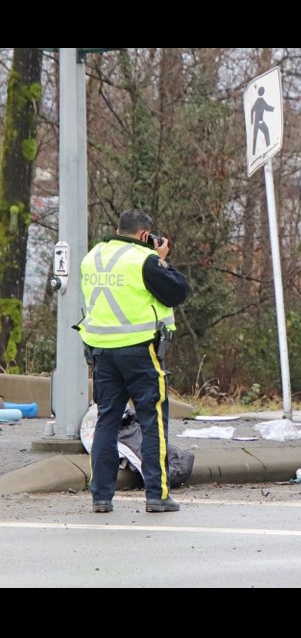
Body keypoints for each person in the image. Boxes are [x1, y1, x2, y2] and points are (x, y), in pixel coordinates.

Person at [77, 209, 191, 513]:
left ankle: (101, 496)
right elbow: (178, 291)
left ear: (118, 229)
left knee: (107, 421)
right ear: (144, 235)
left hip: (101, 351)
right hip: (140, 351)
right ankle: (157, 495)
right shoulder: (145, 260)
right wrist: (162, 257)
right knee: (152, 421)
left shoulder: (92, 256)